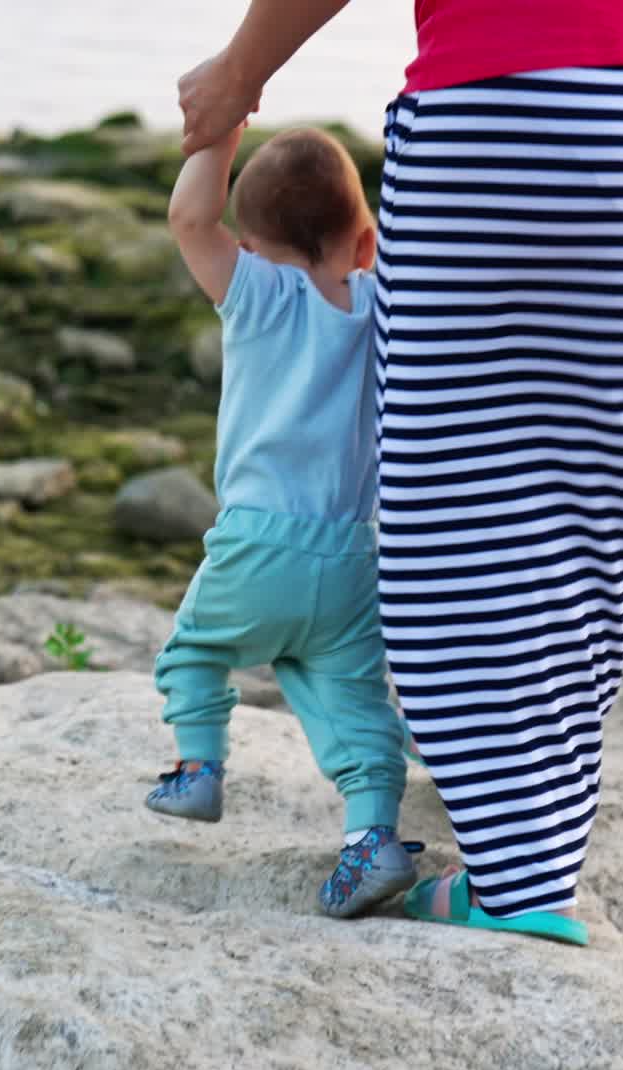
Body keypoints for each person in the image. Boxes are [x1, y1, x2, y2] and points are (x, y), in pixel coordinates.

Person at [176, 1, 623, 946]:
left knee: (453, 500)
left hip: (513, 87)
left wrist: (240, 74)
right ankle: (538, 842)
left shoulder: (262, 295)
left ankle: (519, 878)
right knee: (607, 468)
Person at [146, 122, 422, 920]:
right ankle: (370, 840)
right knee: (358, 707)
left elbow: (190, 221)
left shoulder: (257, 292)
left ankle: (197, 770)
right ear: (362, 241)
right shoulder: (381, 304)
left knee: (195, 652)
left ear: (257, 243)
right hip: (351, 555)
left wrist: (221, 126)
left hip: (257, 543)